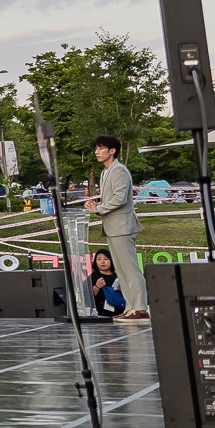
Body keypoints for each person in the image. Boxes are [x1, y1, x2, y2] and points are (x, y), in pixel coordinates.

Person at [91, 135, 138, 315]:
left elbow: (120, 198)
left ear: (112, 151)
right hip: (112, 227)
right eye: (96, 148)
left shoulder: (119, 170)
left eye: (101, 148)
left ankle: (139, 307)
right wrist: (94, 207)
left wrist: (100, 207)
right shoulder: (105, 172)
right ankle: (130, 307)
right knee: (122, 271)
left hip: (122, 226)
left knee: (130, 269)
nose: (97, 152)